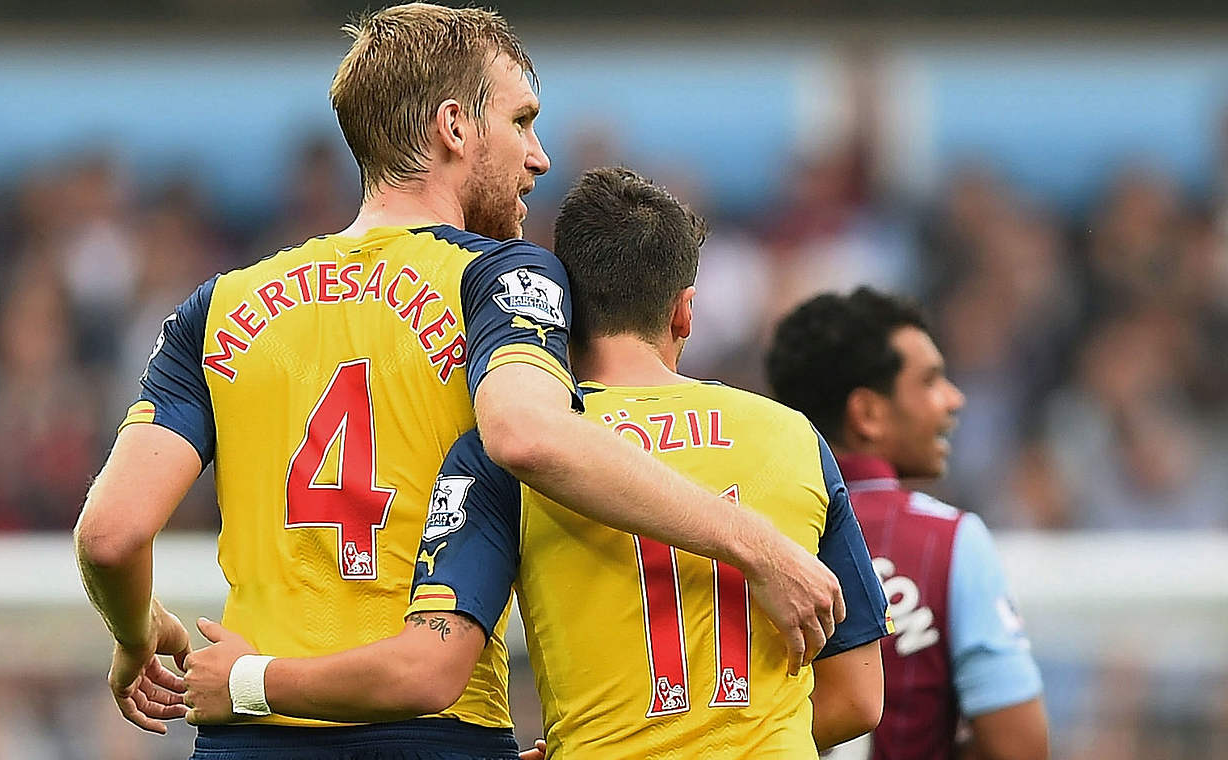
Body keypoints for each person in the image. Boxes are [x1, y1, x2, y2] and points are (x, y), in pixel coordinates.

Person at [73, 4, 844, 758]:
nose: (538, 156)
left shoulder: (217, 307)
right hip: (429, 725)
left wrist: (140, 633)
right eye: (521, 121)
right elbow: (527, 433)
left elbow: (109, 536)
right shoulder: (498, 275)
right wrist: (755, 546)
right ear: (454, 127)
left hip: (248, 723)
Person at [179, 167, 892, 758]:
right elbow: (860, 697)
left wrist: (247, 682)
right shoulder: (793, 438)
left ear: (563, 314)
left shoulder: (512, 458)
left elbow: (429, 667)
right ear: (685, 313)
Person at [766, 287, 1049, 760]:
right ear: (868, 413)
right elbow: (1021, 747)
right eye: (931, 381)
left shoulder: (745, 529)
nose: (954, 399)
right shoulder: (949, 542)